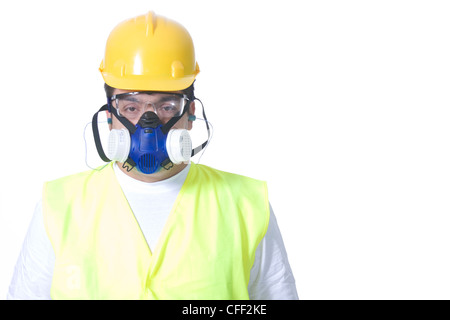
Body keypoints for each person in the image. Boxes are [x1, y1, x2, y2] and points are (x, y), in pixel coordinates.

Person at [7, 11, 298, 300]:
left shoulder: (247, 204)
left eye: (167, 106)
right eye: (131, 107)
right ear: (110, 116)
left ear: (191, 113)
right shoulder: (58, 205)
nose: (149, 122)